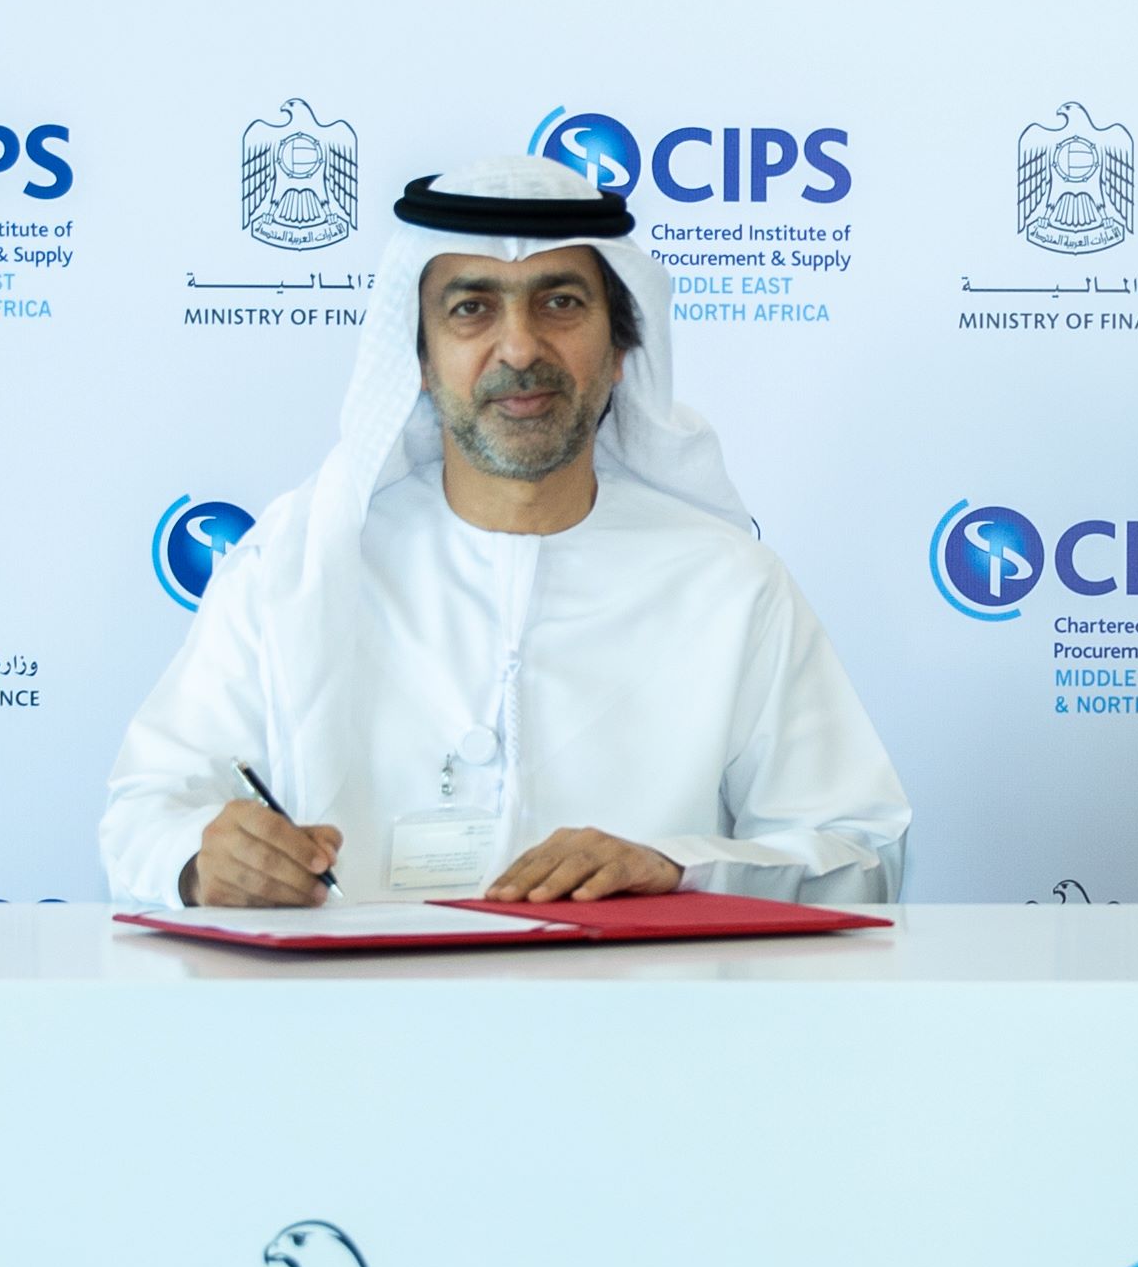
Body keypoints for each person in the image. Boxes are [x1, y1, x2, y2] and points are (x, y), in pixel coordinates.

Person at [102, 154, 908, 907]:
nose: (519, 347)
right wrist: (202, 861)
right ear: (420, 361)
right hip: (358, 1011)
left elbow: (862, 856)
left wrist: (678, 867)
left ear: (620, 349)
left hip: (641, 1013)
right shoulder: (294, 567)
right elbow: (143, 812)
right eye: (471, 308)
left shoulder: (729, 584)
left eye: (560, 303)